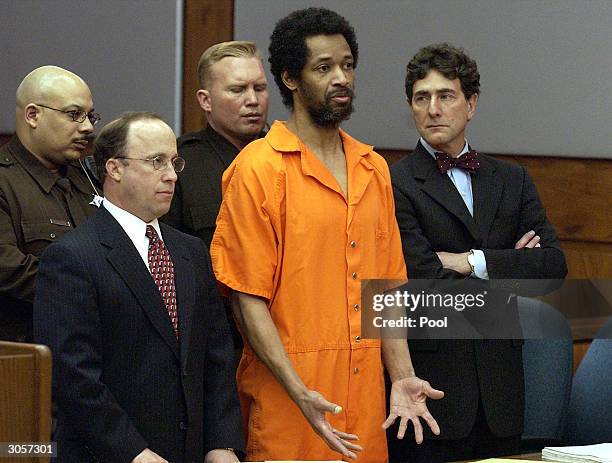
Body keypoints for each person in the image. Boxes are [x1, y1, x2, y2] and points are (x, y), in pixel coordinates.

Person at [211, 8, 443, 463]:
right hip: (288, 405)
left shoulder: (373, 167)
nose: (341, 78)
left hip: (366, 406)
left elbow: (386, 289)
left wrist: (402, 376)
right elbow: (245, 297)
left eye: (348, 65)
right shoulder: (258, 168)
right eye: (324, 67)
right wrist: (298, 391)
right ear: (290, 79)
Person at [389, 43, 567, 462]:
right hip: (431, 391)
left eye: (445, 96)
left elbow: (553, 267)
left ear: (470, 104)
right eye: (421, 98)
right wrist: (509, 265)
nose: (433, 109)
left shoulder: (512, 179)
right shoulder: (392, 182)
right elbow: (421, 281)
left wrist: (471, 261)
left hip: (502, 392)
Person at [34, 112, 243, 463]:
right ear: (114, 169)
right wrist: (131, 451)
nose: (172, 175)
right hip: (110, 453)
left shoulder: (190, 251)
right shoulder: (72, 258)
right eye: (156, 162)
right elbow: (74, 375)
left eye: (174, 162)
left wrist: (221, 443)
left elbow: (217, 355)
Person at [0, 65, 100, 342]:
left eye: (90, 116)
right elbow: (9, 270)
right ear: (33, 115)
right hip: (27, 353)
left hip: (94, 352)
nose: (88, 127)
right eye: (74, 114)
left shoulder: (91, 180)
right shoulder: (4, 182)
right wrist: (94, 292)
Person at [164, 40, 269, 249]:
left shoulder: (288, 156)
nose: (253, 100)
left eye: (259, 88)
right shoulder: (180, 166)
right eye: (237, 90)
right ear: (206, 101)